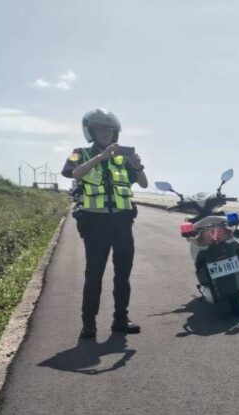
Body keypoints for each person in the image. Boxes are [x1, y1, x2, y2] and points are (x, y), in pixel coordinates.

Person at [62, 109, 148, 339]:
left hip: (121, 222)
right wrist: (101, 157)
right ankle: (88, 324)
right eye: (101, 129)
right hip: (96, 223)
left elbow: (144, 183)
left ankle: (120, 319)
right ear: (90, 131)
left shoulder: (122, 159)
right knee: (94, 275)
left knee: (123, 275)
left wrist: (137, 166)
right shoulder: (78, 153)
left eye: (110, 129)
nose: (106, 133)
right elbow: (72, 173)